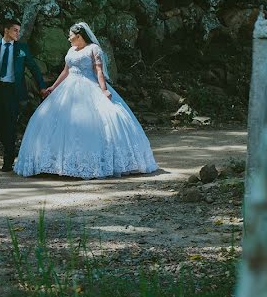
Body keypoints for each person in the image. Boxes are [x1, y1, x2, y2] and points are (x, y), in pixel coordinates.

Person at [13, 22, 158, 179]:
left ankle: (92, 163)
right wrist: (53, 87)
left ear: (79, 35)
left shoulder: (93, 49)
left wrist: (104, 90)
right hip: (67, 89)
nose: (69, 38)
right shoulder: (71, 50)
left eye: (71, 35)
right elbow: (66, 71)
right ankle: (54, 163)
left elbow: (99, 71)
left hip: (89, 86)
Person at [0, 19, 47, 171]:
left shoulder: (22, 48)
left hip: (14, 91)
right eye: (15, 30)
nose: (18, 33)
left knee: (10, 125)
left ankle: (8, 161)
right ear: (6, 30)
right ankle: (10, 147)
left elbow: (33, 68)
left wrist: (42, 87)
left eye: (18, 31)